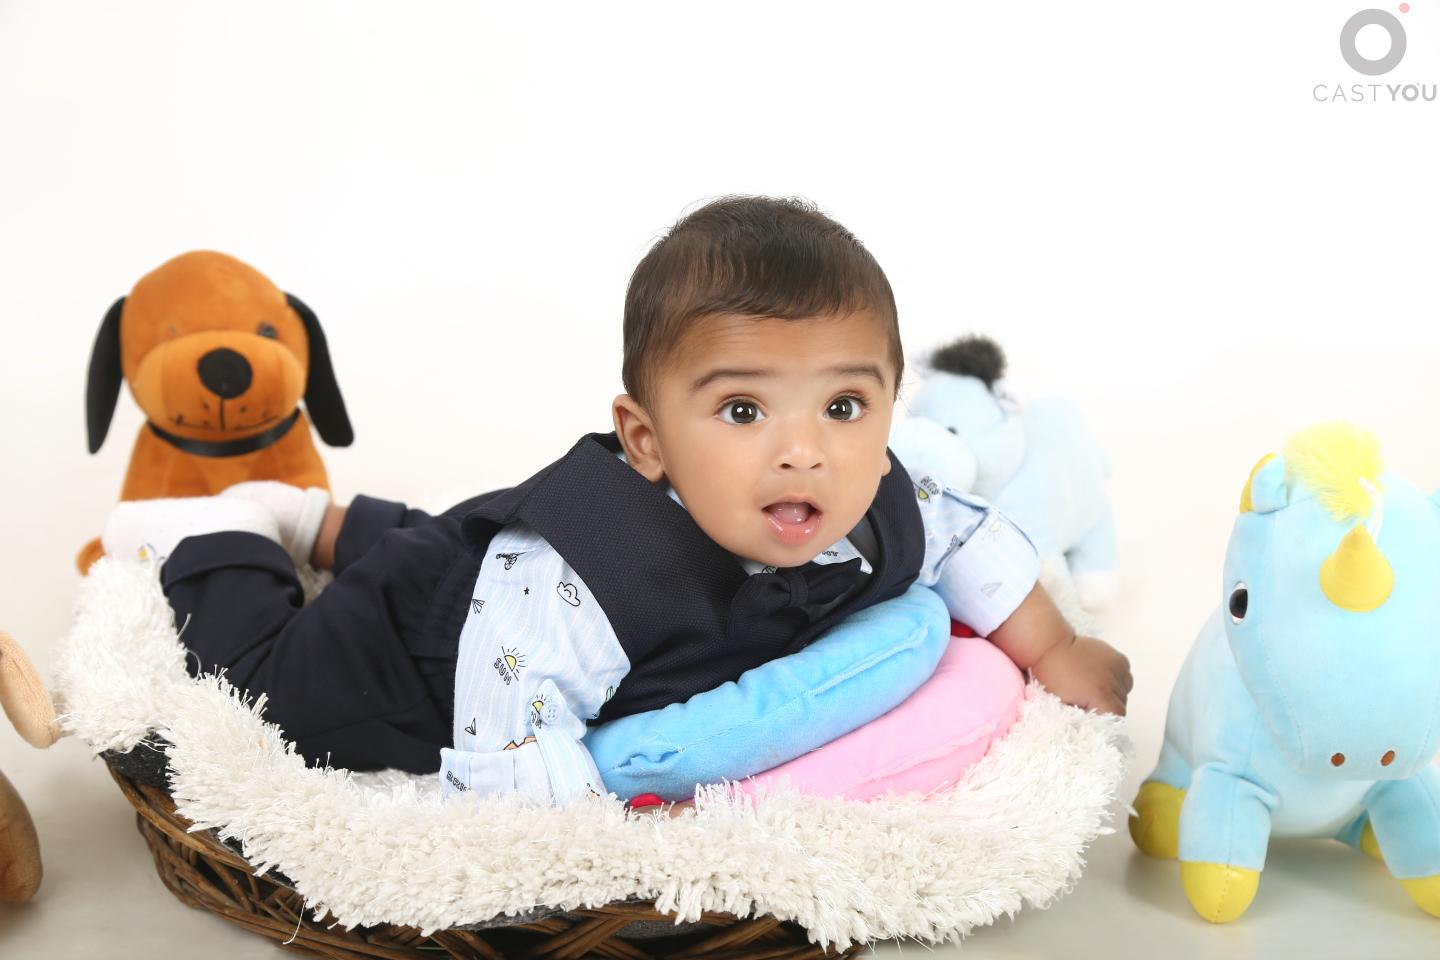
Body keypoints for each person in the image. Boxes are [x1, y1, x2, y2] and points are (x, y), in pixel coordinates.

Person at [102, 196, 1132, 809]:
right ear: (647, 440)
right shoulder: (583, 588)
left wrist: (1056, 650)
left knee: (454, 534)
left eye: (845, 405)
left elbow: (968, 541)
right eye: (743, 410)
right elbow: (512, 757)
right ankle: (242, 522)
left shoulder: (882, 497)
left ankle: (338, 518)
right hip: (411, 657)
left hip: (487, 560)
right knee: (266, 685)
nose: (806, 451)